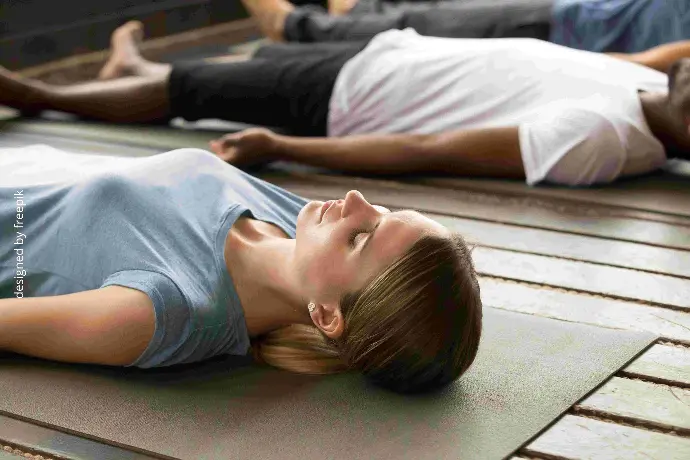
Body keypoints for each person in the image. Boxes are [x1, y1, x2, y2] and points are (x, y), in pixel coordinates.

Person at [0, 143, 482, 395]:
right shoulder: (294, 218)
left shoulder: (163, 308)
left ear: (328, 315)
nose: (355, 201)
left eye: (361, 238)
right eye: (382, 212)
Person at [1, 21, 690, 186]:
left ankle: (41, 94)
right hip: (389, 58)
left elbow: (431, 153)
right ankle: (133, 71)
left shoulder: (601, 137)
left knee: (187, 93)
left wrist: (280, 147)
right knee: (216, 72)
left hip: (355, 101)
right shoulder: (643, 92)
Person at [244, 0, 690, 54]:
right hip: (565, 19)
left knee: (412, 26)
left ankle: (293, 27)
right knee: (415, 18)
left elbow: (648, 67)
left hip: (557, 35)